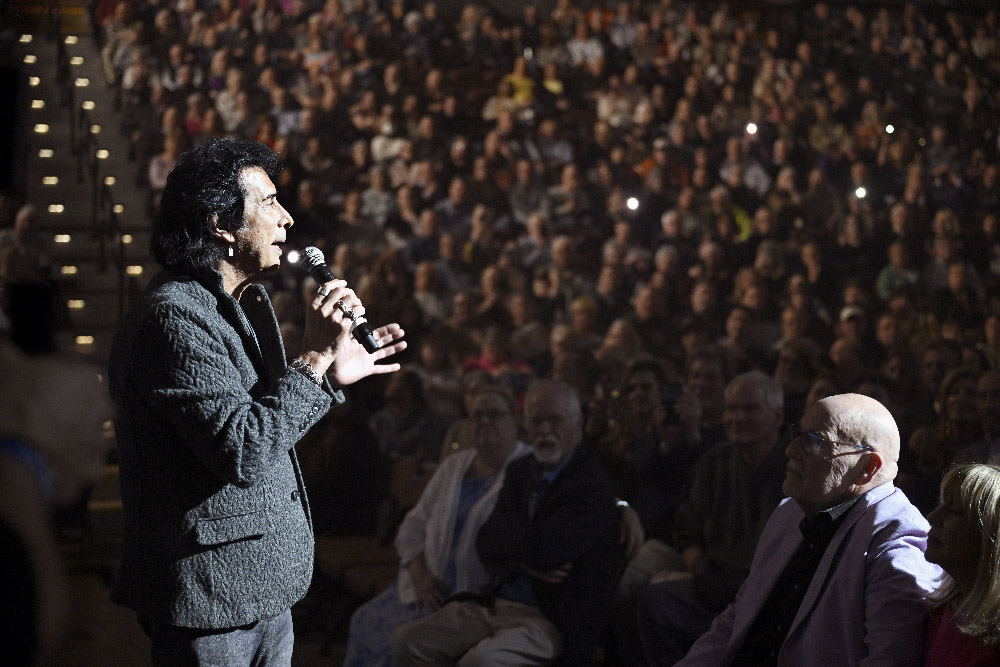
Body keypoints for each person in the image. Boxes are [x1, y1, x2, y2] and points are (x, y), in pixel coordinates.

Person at [108, 138, 406, 666]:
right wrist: (312, 359)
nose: (287, 218)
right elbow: (243, 449)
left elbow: (265, 428)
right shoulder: (174, 318)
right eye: (269, 203)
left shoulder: (236, 303)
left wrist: (329, 376)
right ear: (220, 223)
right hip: (215, 599)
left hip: (259, 591)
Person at [672, 393, 941, 667]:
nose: (790, 450)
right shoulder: (790, 512)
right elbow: (741, 617)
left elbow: (891, 660)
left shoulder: (897, 538)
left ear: (867, 467)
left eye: (813, 442)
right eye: (796, 434)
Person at [391, 378, 618, 666]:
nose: (545, 430)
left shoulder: (590, 481)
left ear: (578, 423)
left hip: (551, 617)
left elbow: (549, 550)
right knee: (409, 641)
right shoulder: (522, 471)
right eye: (537, 421)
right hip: (494, 602)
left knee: (481, 662)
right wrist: (525, 557)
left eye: (555, 420)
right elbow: (486, 541)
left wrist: (515, 548)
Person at [344, 385, 530, 666]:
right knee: (364, 621)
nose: (484, 422)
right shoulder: (455, 465)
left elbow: (578, 496)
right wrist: (418, 572)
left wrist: (622, 507)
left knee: (400, 640)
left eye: (495, 414)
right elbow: (413, 525)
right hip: (425, 587)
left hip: (474, 602)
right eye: (477, 415)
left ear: (516, 421)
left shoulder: (530, 468)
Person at [631, 371, 787, 663]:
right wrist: (700, 568)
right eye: (731, 409)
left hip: (769, 598)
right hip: (713, 583)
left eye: (750, 409)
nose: (737, 418)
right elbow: (686, 527)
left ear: (777, 417)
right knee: (654, 603)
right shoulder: (716, 462)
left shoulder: (794, 470)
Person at [923, 464, 1000, 666]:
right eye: (941, 504)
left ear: (990, 536)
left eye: (954, 511)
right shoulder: (940, 612)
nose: (932, 518)